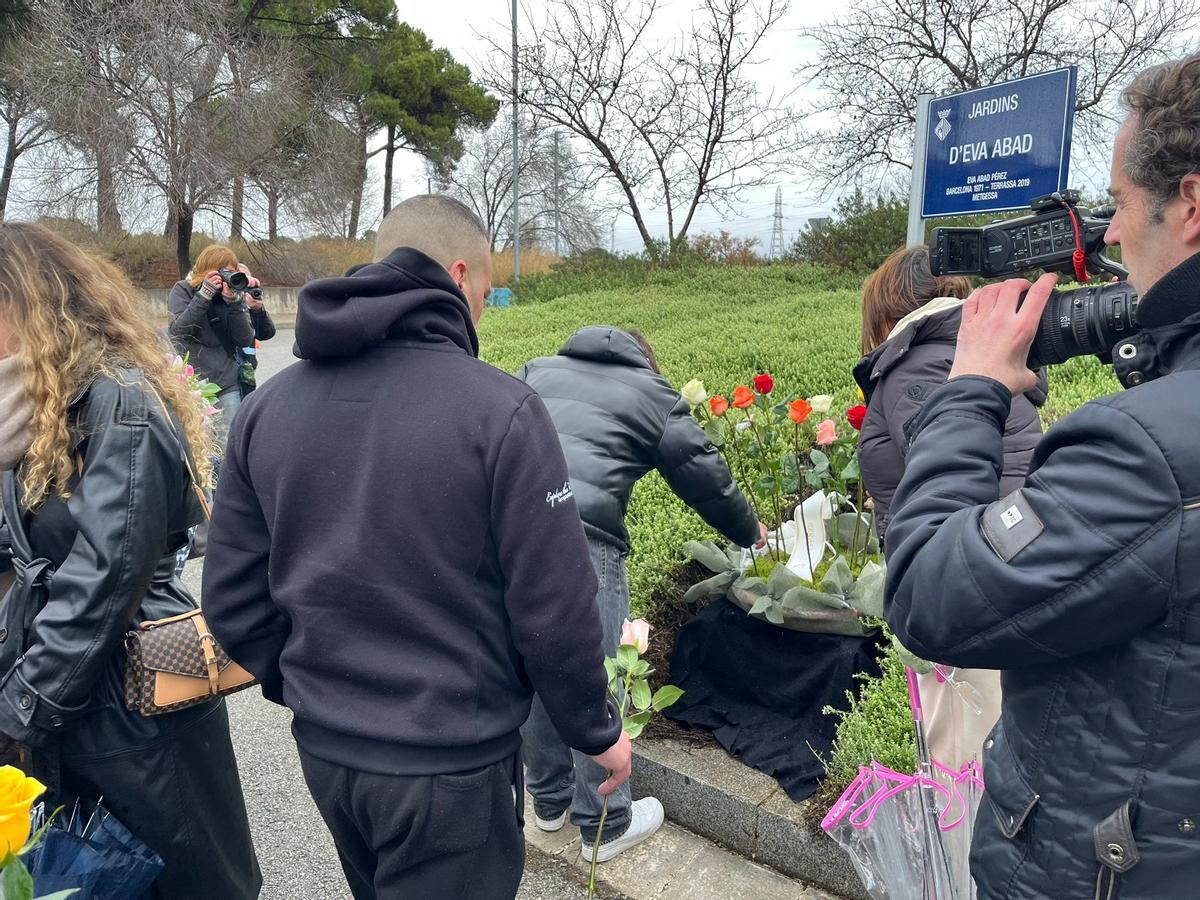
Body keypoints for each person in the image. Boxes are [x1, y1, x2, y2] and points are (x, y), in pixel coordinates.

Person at [201, 195, 630, 900]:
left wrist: (313, 687)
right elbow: (555, 607)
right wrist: (596, 728)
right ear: (459, 276)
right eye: (485, 294)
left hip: (328, 754)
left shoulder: (267, 408)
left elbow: (230, 598)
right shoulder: (502, 411)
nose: (481, 313)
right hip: (452, 764)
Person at [884, 53, 1200, 899]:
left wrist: (971, 388)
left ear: (1191, 205)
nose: (1111, 237)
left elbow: (928, 593)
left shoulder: (1154, 452)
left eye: (1121, 205)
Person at [0, 223, 260, 897]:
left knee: (167, 871)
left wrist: (19, 711)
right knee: (85, 871)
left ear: (28, 305)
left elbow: (107, 579)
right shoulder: (31, 406)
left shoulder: (117, 400)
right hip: (69, 686)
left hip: (133, 691)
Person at [515, 326, 766, 861]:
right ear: (645, 361)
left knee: (532, 662)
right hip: (586, 541)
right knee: (600, 673)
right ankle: (605, 824)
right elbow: (705, 477)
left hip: (515, 535)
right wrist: (750, 531)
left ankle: (549, 801)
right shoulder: (652, 392)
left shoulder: (537, 370)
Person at [852, 246, 1047, 769]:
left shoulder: (917, 363)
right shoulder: (973, 354)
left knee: (963, 754)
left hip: (966, 581)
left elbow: (945, 476)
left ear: (887, 311)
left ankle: (963, 825)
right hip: (1009, 561)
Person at [166, 244, 260, 436]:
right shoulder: (183, 290)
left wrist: (235, 303)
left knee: (230, 439)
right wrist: (204, 295)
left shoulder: (233, 295)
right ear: (207, 269)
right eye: (223, 272)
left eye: (231, 272)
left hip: (227, 382)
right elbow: (178, 331)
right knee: (199, 440)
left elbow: (244, 339)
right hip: (193, 383)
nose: (227, 277)